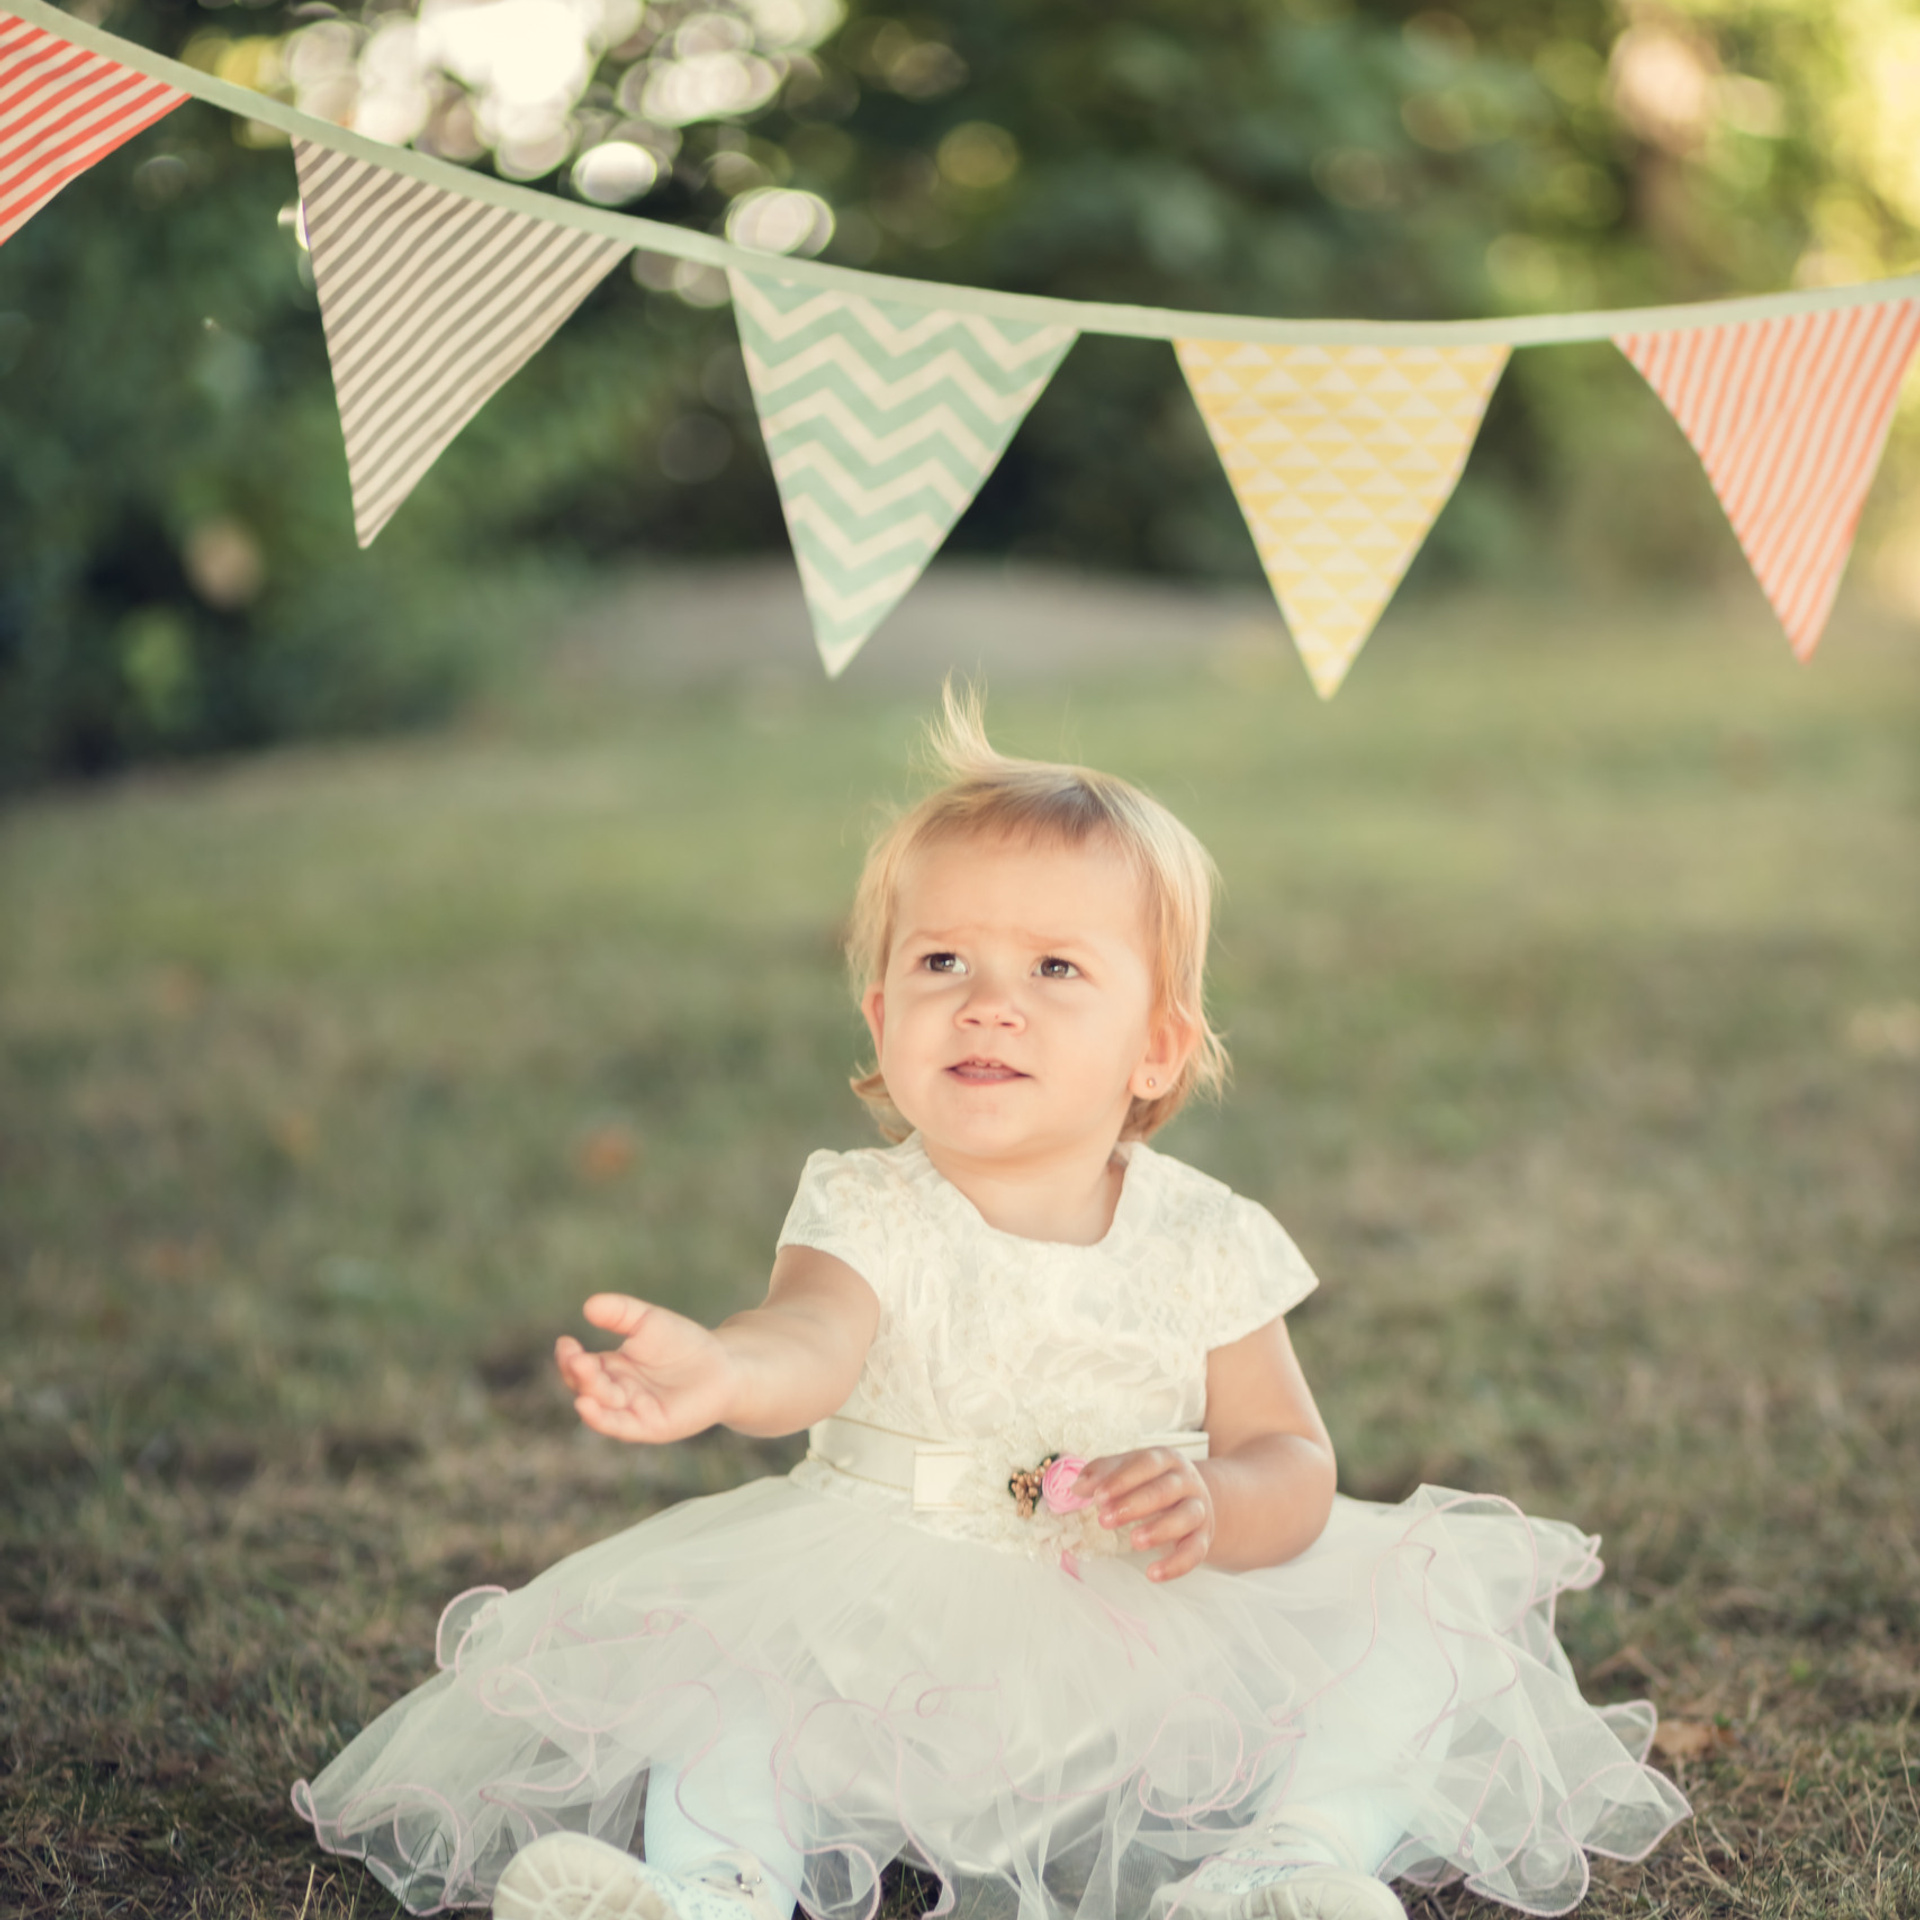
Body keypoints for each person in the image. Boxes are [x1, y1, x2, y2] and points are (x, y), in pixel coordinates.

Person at [293, 690, 1689, 1920]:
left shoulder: (1206, 1236)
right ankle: (712, 1885)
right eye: (943, 963)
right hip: (880, 1633)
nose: (989, 1005)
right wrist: (723, 1371)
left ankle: (1289, 1865)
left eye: (1055, 970)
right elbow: (815, 1341)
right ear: (879, 1011)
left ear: (1158, 1046)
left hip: (1144, 1646)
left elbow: (1294, 1458)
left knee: (1414, 1636)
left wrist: (1217, 1505)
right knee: (722, 1680)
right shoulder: (867, 1206)